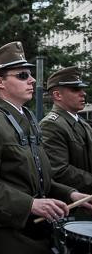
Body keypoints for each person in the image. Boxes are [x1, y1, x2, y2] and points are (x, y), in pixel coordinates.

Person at [0, 42, 92, 254]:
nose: (32, 80)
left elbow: (40, 177)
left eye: (30, 74)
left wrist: (70, 194)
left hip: (31, 234)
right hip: (3, 243)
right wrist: (29, 204)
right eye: (22, 75)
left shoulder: (26, 118)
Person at [40, 67, 92, 198]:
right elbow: (59, 170)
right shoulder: (51, 125)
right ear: (57, 95)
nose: (83, 93)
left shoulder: (82, 122)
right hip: (71, 205)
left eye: (82, 89)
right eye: (75, 90)